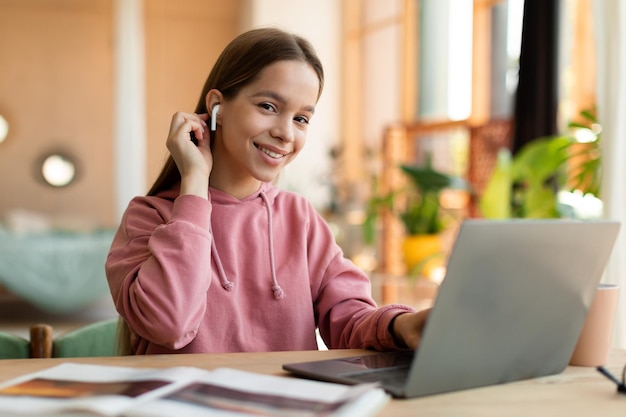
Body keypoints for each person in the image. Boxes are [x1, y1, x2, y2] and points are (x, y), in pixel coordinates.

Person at [105, 27, 430, 355]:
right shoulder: (148, 217)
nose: (286, 133)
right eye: (268, 107)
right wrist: (194, 183)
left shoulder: (299, 217)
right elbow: (168, 323)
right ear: (217, 106)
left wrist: (401, 325)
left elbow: (348, 319)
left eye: (301, 118)